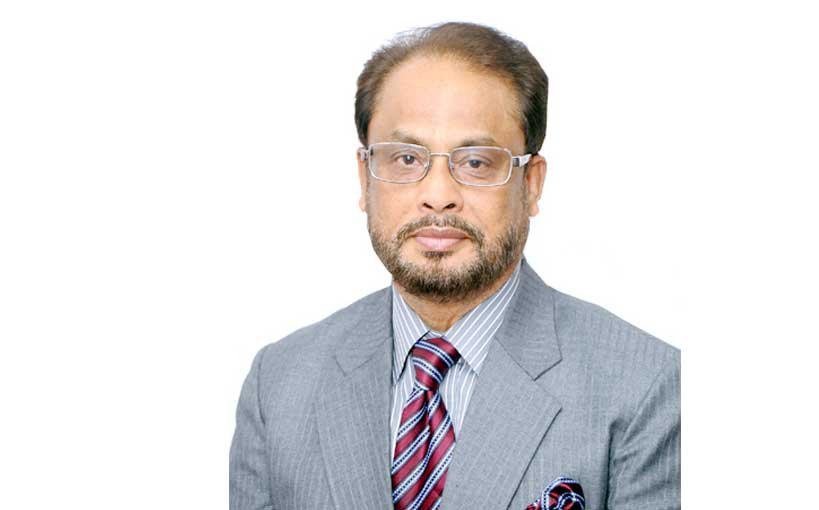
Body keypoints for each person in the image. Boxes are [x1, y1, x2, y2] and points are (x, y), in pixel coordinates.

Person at [229, 21, 680, 510]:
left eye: (476, 162)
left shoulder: (647, 386)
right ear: (365, 178)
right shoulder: (279, 384)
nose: (438, 195)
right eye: (406, 159)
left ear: (531, 184)